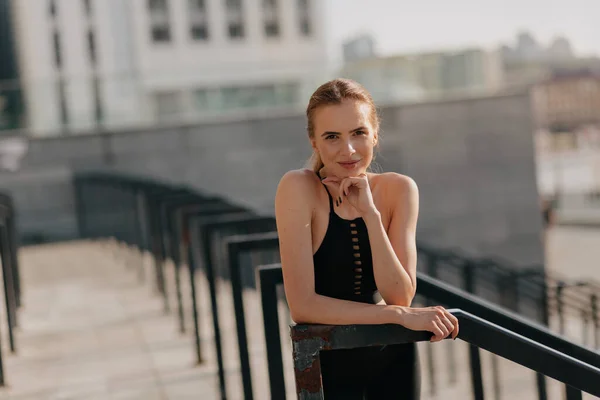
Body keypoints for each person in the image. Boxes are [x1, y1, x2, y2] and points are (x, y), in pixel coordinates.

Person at [274, 78, 459, 399]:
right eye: (332, 137)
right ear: (313, 142)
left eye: (358, 133)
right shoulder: (298, 188)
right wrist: (396, 315)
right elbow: (302, 306)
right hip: (330, 362)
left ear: (374, 133)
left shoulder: (398, 189)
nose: (348, 150)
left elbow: (399, 294)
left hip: (394, 358)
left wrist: (371, 214)